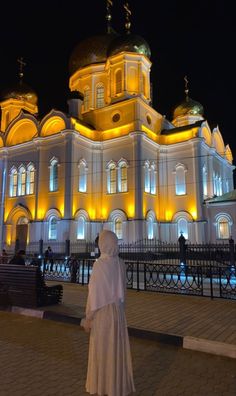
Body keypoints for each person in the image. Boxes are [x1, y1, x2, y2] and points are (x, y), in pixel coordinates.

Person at [81, 230, 135, 396]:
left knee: (103, 351)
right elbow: (123, 292)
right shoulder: (120, 263)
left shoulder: (99, 265)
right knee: (116, 351)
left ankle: (103, 386)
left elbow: (94, 295)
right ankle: (116, 386)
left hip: (102, 315)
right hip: (117, 313)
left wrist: (88, 317)